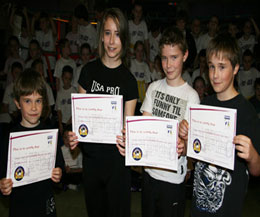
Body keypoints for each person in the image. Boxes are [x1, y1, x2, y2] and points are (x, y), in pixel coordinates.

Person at [64, 8, 138, 217]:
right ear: (101, 37)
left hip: (117, 166)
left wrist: (128, 138)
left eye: (117, 34)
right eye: (107, 33)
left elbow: (128, 129)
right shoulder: (87, 72)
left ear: (124, 38)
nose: (112, 41)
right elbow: (79, 123)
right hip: (92, 163)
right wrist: (73, 137)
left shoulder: (129, 81)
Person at [179, 33, 260, 217]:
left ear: (236, 68)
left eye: (222, 67)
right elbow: (193, 153)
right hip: (199, 206)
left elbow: (256, 170)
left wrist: (252, 155)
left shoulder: (247, 113)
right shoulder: (204, 104)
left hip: (228, 208)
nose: (215, 75)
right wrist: (185, 140)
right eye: (211, 67)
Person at [140, 26, 200, 217]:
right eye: (164, 58)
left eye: (174, 57)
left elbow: (194, 144)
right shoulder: (153, 88)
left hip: (173, 178)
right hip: (149, 174)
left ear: (185, 55)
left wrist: (185, 142)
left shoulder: (192, 96)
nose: (169, 64)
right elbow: (144, 126)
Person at [0, 69, 63, 217]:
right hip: (20, 206)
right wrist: (3, 185)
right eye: (28, 101)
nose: (34, 108)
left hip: (45, 204)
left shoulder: (50, 135)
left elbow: (59, 166)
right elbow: (3, 173)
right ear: (17, 103)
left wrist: (59, 174)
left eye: (38, 101)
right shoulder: (9, 138)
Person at [130, 40, 151, 115]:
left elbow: (147, 84)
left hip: (141, 99)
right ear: (135, 51)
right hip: (132, 97)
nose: (140, 53)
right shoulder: (131, 63)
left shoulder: (145, 66)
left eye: (142, 51)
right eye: (138, 50)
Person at [55, 65, 77, 136]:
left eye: (69, 79)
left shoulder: (74, 91)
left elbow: (75, 109)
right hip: (63, 122)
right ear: (62, 77)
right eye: (66, 78)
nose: (67, 81)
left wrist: (70, 120)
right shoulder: (60, 93)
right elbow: (59, 110)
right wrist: (60, 124)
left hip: (72, 122)